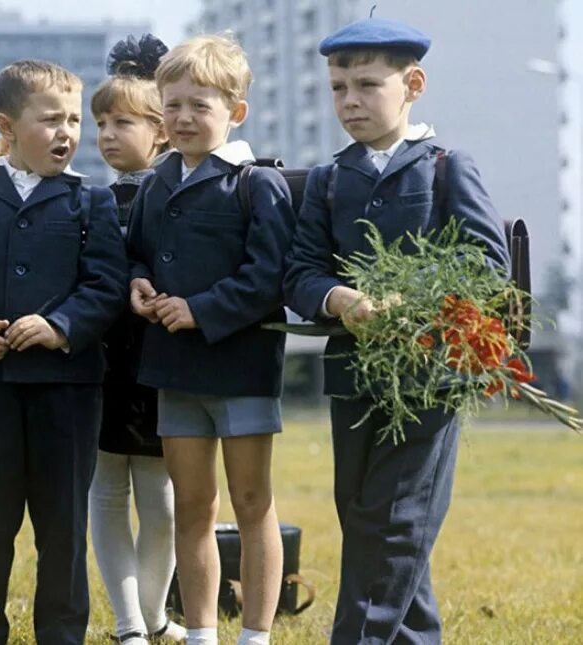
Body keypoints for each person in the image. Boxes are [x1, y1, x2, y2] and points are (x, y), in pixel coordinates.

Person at [283, 18, 510, 645]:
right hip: (353, 377)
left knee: (394, 524)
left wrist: (406, 298)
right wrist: (337, 296)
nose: (349, 101)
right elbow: (301, 271)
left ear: (413, 84)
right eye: (337, 87)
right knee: (365, 522)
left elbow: (489, 264)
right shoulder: (329, 180)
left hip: (429, 379)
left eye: (365, 84)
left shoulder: (444, 168)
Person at [0, 59, 129, 644]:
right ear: (6, 128)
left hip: (69, 391)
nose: (68, 132)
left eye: (72, 120)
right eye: (50, 119)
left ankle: (62, 635)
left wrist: (61, 326)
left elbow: (106, 286)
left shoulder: (93, 204)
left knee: (63, 525)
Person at [126, 34, 296, 645]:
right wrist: (138, 283)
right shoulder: (154, 184)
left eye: (200, 104)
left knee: (252, 502)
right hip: (174, 369)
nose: (184, 118)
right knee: (193, 507)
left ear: (235, 112)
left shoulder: (258, 183)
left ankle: (255, 634)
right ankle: (200, 633)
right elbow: (137, 253)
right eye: (172, 105)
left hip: (240, 364)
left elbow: (268, 275)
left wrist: (201, 310)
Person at [88, 34, 186, 645]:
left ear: (161, 129)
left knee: (164, 501)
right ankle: (130, 625)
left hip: (163, 364)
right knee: (105, 493)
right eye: (100, 122)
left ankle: (154, 618)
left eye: (122, 121)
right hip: (97, 368)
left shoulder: (179, 196)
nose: (106, 134)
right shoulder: (82, 200)